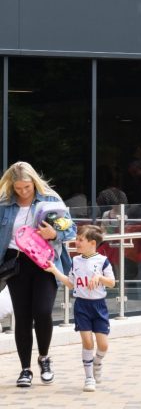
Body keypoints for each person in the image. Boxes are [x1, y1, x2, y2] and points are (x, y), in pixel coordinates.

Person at [0, 161, 77, 388]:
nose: (23, 192)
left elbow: (70, 229)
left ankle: (44, 358)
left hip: (45, 263)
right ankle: (25, 369)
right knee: (22, 317)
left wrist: (54, 233)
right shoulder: (4, 205)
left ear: (34, 182)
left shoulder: (51, 200)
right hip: (16, 263)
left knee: (42, 312)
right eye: (18, 188)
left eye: (27, 187)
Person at [45, 224, 116, 392]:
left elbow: (112, 283)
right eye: (76, 239)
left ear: (92, 243)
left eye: (80, 240)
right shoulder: (75, 260)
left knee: (103, 345)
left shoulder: (102, 261)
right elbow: (71, 283)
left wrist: (99, 277)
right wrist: (55, 270)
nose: (76, 242)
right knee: (87, 341)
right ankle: (89, 377)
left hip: (99, 306)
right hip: (81, 305)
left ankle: (97, 363)